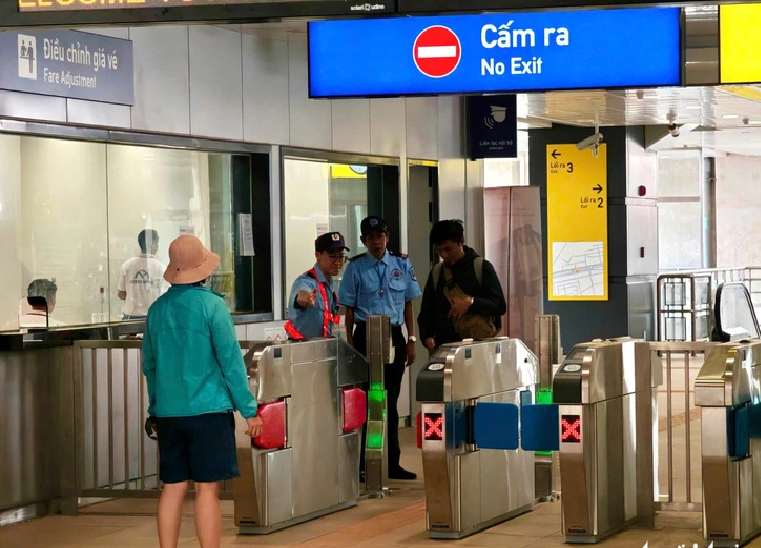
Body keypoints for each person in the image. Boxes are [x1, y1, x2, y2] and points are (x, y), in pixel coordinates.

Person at [142, 234, 263, 548]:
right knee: (208, 489)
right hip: (208, 412)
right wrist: (249, 410)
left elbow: (150, 366)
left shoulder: (157, 310)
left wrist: (155, 409)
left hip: (168, 414)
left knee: (173, 487)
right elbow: (231, 362)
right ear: (203, 269)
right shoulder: (213, 307)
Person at [338, 216, 421, 481]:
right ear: (363, 240)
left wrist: (411, 339)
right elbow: (348, 311)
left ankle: (393, 462)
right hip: (365, 335)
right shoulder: (356, 268)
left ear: (388, 238)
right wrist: (351, 346)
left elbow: (408, 304)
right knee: (367, 400)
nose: (377, 241)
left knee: (391, 401)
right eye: (372, 237)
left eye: (381, 236)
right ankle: (363, 463)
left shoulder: (402, 263)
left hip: (394, 334)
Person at [418, 220, 507, 353]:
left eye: (448, 249)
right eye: (439, 250)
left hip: (478, 348)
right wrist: (427, 336)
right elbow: (427, 310)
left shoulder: (481, 267)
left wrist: (471, 302)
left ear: (461, 241)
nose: (443, 255)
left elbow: (499, 305)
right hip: (445, 348)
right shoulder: (437, 272)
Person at [285, 231, 349, 340]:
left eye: (341, 256)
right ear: (317, 255)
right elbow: (301, 295)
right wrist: (307, 298)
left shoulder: (331, 285)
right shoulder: (306, 281)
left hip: (324, 348)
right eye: (332, 256)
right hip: (303, 349)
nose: (338, 262)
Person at [119, 229, 167, 320]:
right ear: (154, 245)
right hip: (153, 318)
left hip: (130, 319)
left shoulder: (127, 265)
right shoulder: (161, 268)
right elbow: (164, 297)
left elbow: (121, 293)